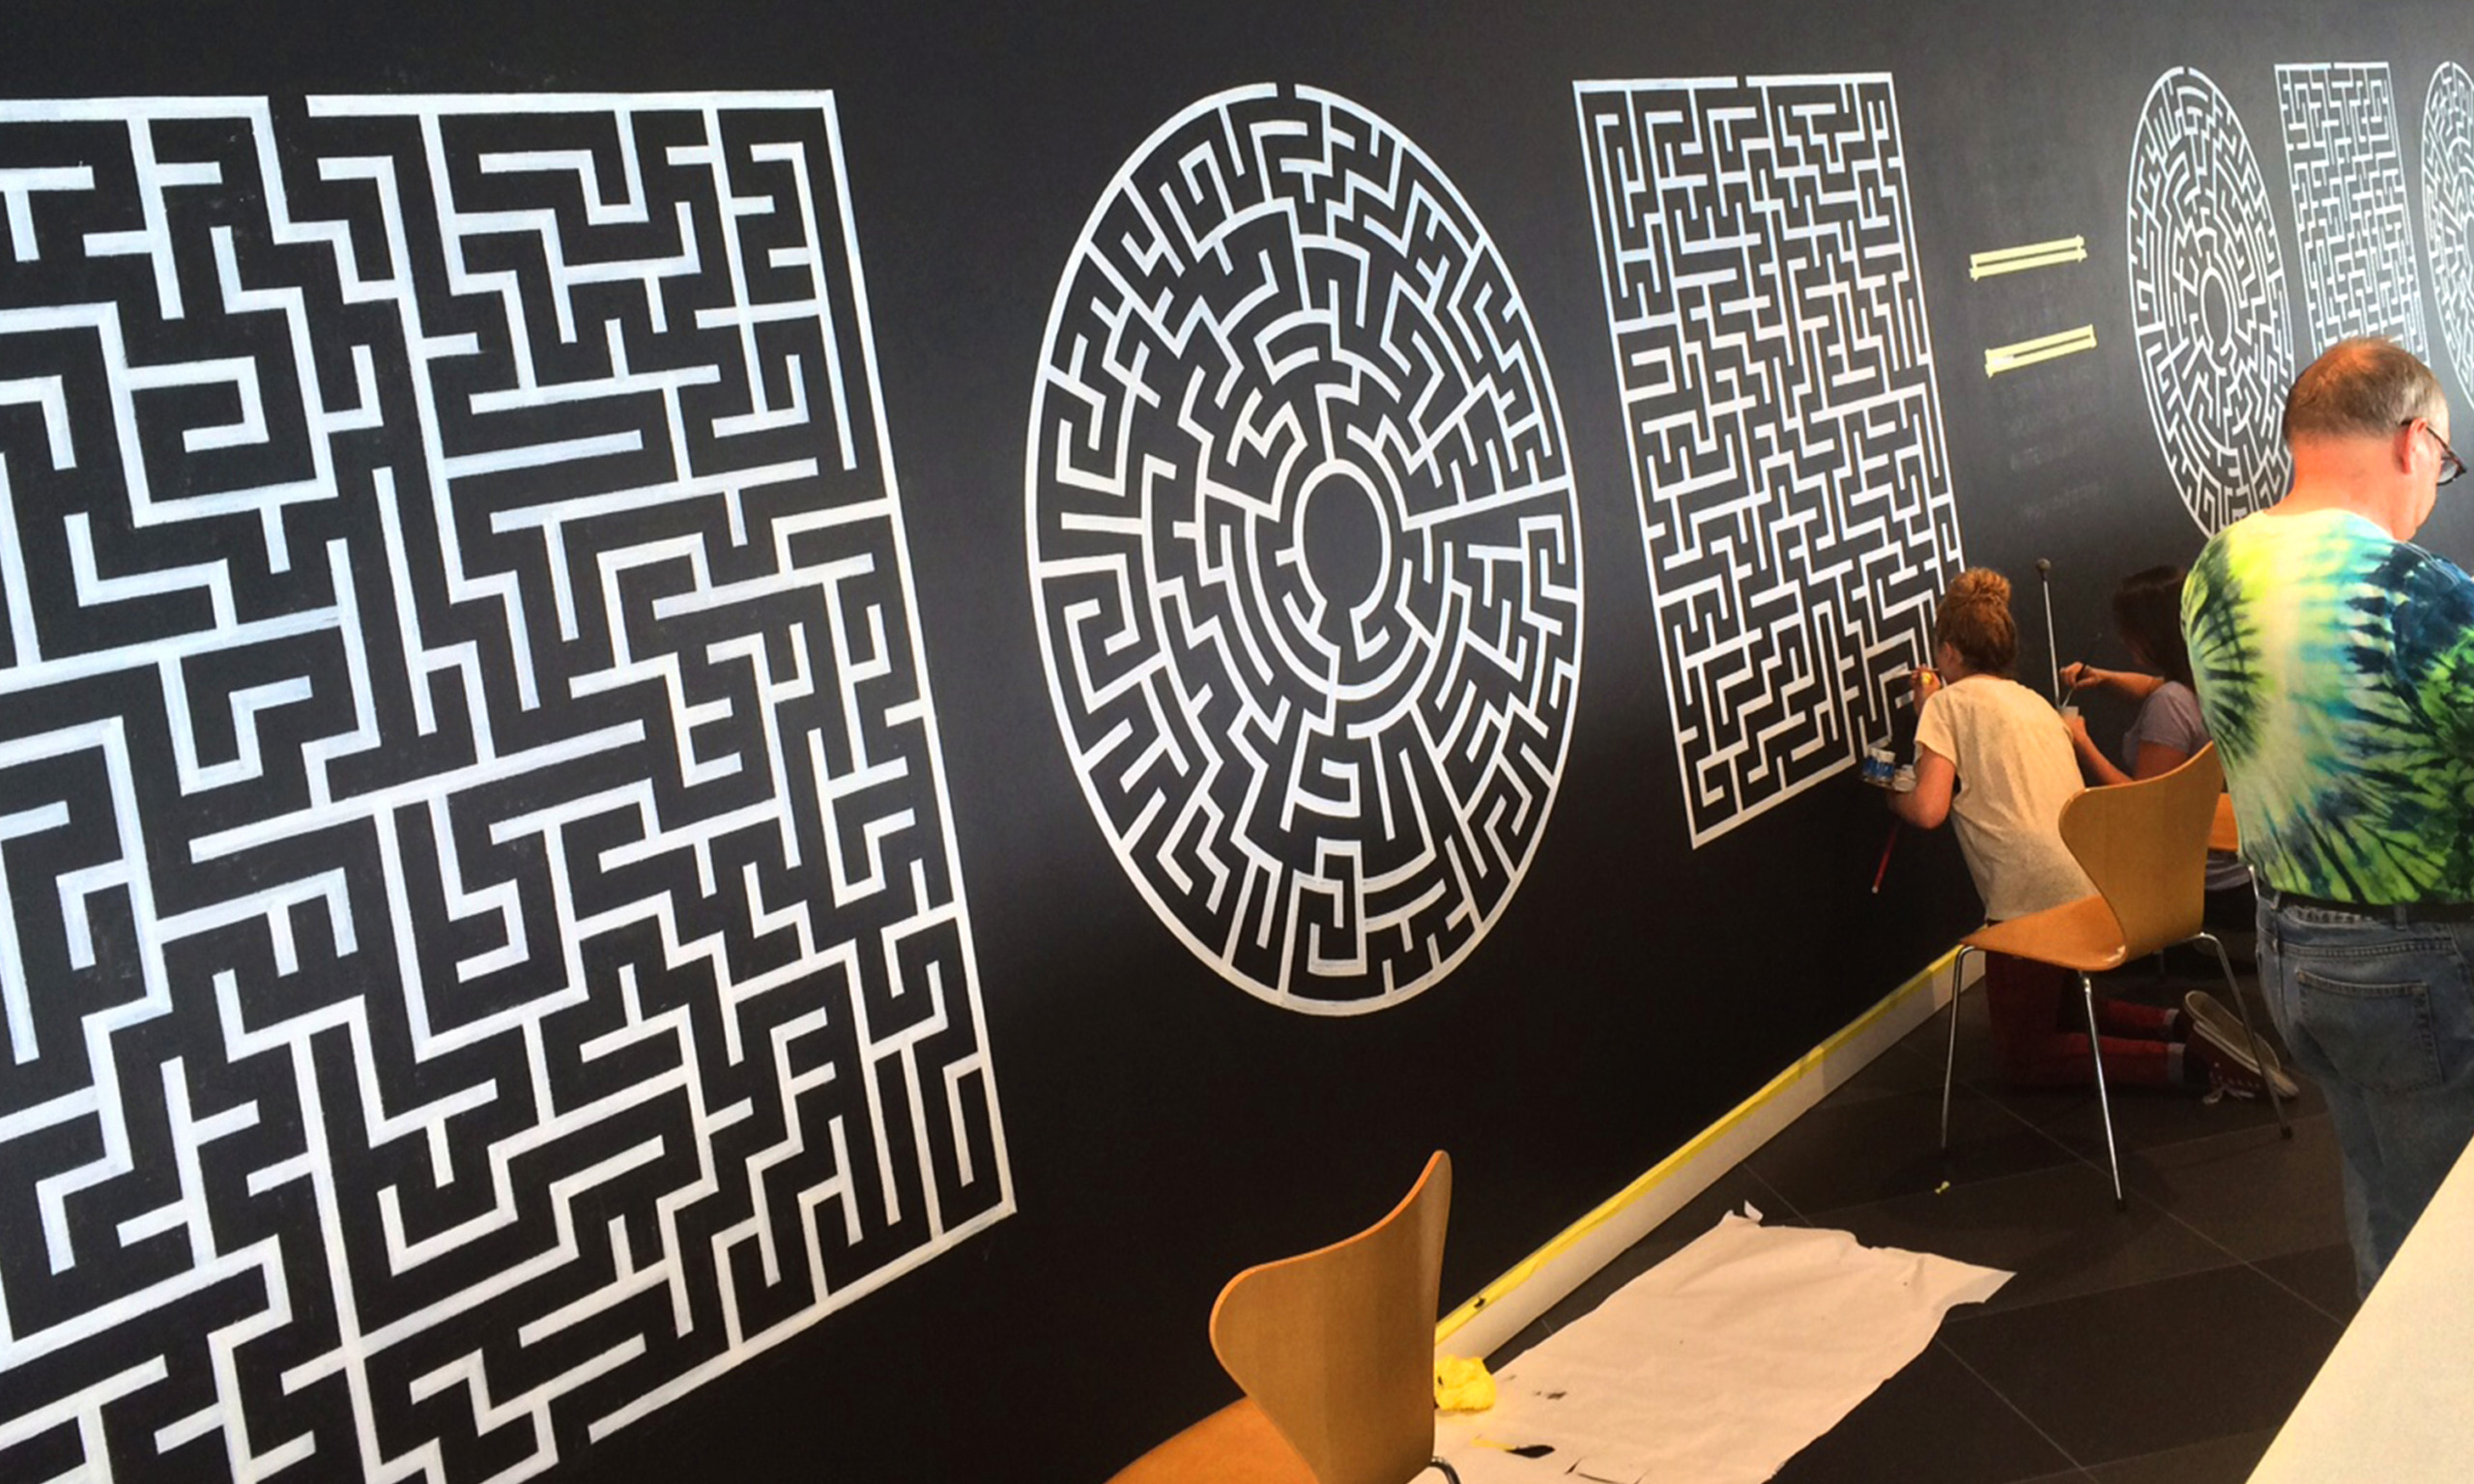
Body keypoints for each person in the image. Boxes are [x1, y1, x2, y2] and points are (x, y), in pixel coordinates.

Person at [2183, 335, 2474, 1294]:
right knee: (2449, 1241)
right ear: (2413, 441)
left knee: (2384, 1200)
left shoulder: (2214, 572)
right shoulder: (2416, 594)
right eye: (2443, 460)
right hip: (2417, 961)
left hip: (2288, 947)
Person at [1890, 570, 2262, 1095]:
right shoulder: (2035, 702)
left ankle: (2195, 1065)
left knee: (2025, 1056)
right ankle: (2177, 1026)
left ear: (1948, 652)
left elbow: (1928, 808)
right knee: (2064, 1012)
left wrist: (1891, 787)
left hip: (2025, 904)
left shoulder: (1947, 707)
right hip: (2087, 889)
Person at [2058, 566, 2255, 935]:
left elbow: (2146, 806)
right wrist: (2105, 677)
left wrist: (2082, 742)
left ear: (2150, 634)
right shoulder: (2216, 679)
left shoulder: (2170, 705)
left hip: (2190, 895)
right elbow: (2156, 686)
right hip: (2237, 882)